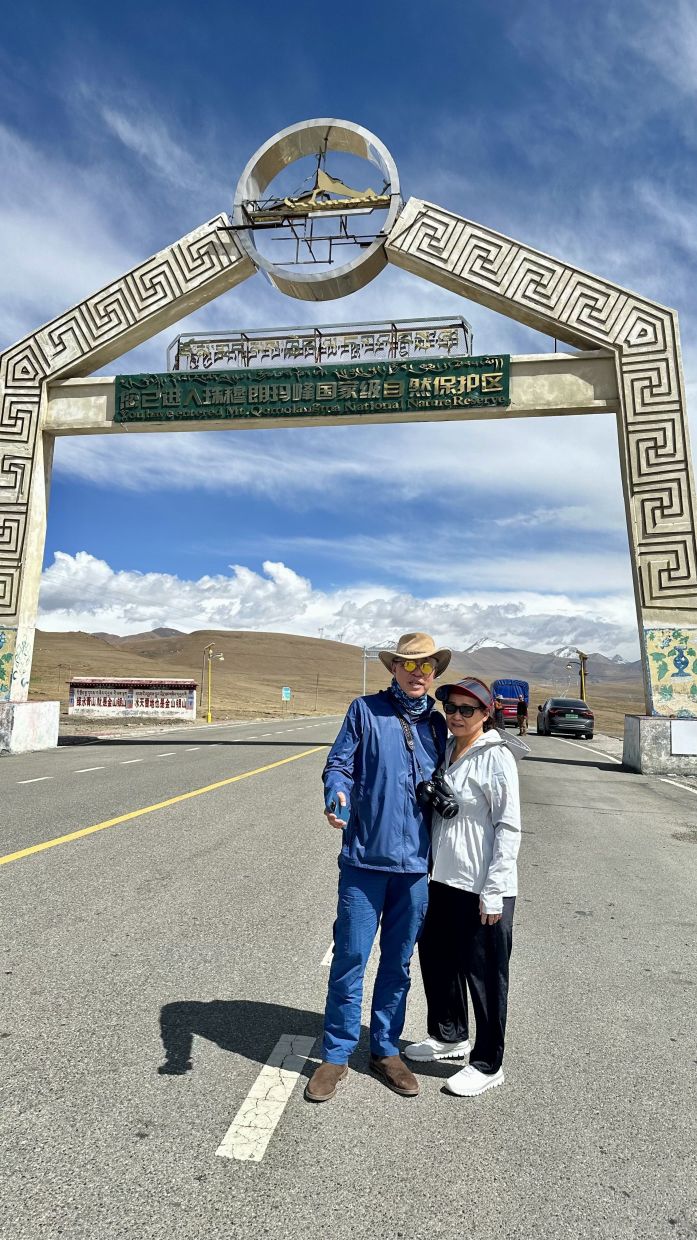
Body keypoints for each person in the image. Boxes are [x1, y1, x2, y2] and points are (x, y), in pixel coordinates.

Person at [305, 632, 451, 1103]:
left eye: (425, 666)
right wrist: (337, 794)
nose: (417, 673)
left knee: (397, 964)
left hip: (415, 868)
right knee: (350, 957)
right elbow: (339, 765)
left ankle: (386, 1050)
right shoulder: (364, 711)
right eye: (408, 665)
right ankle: (336, 1054)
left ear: (434, 673)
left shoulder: (438, 725)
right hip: (364, 861)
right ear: (394, 669)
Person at [405, 676, 522, 1097]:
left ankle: (488, 1063)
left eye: (466, 709)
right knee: (438, 960)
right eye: (451, 708)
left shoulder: (497, 757)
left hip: (481, 885)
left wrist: (494, 890)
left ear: (486, 714)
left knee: (485, 975)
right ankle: (448, 1034)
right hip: (441, 878)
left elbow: (508, 826)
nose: (456, 715)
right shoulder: (448, 750)